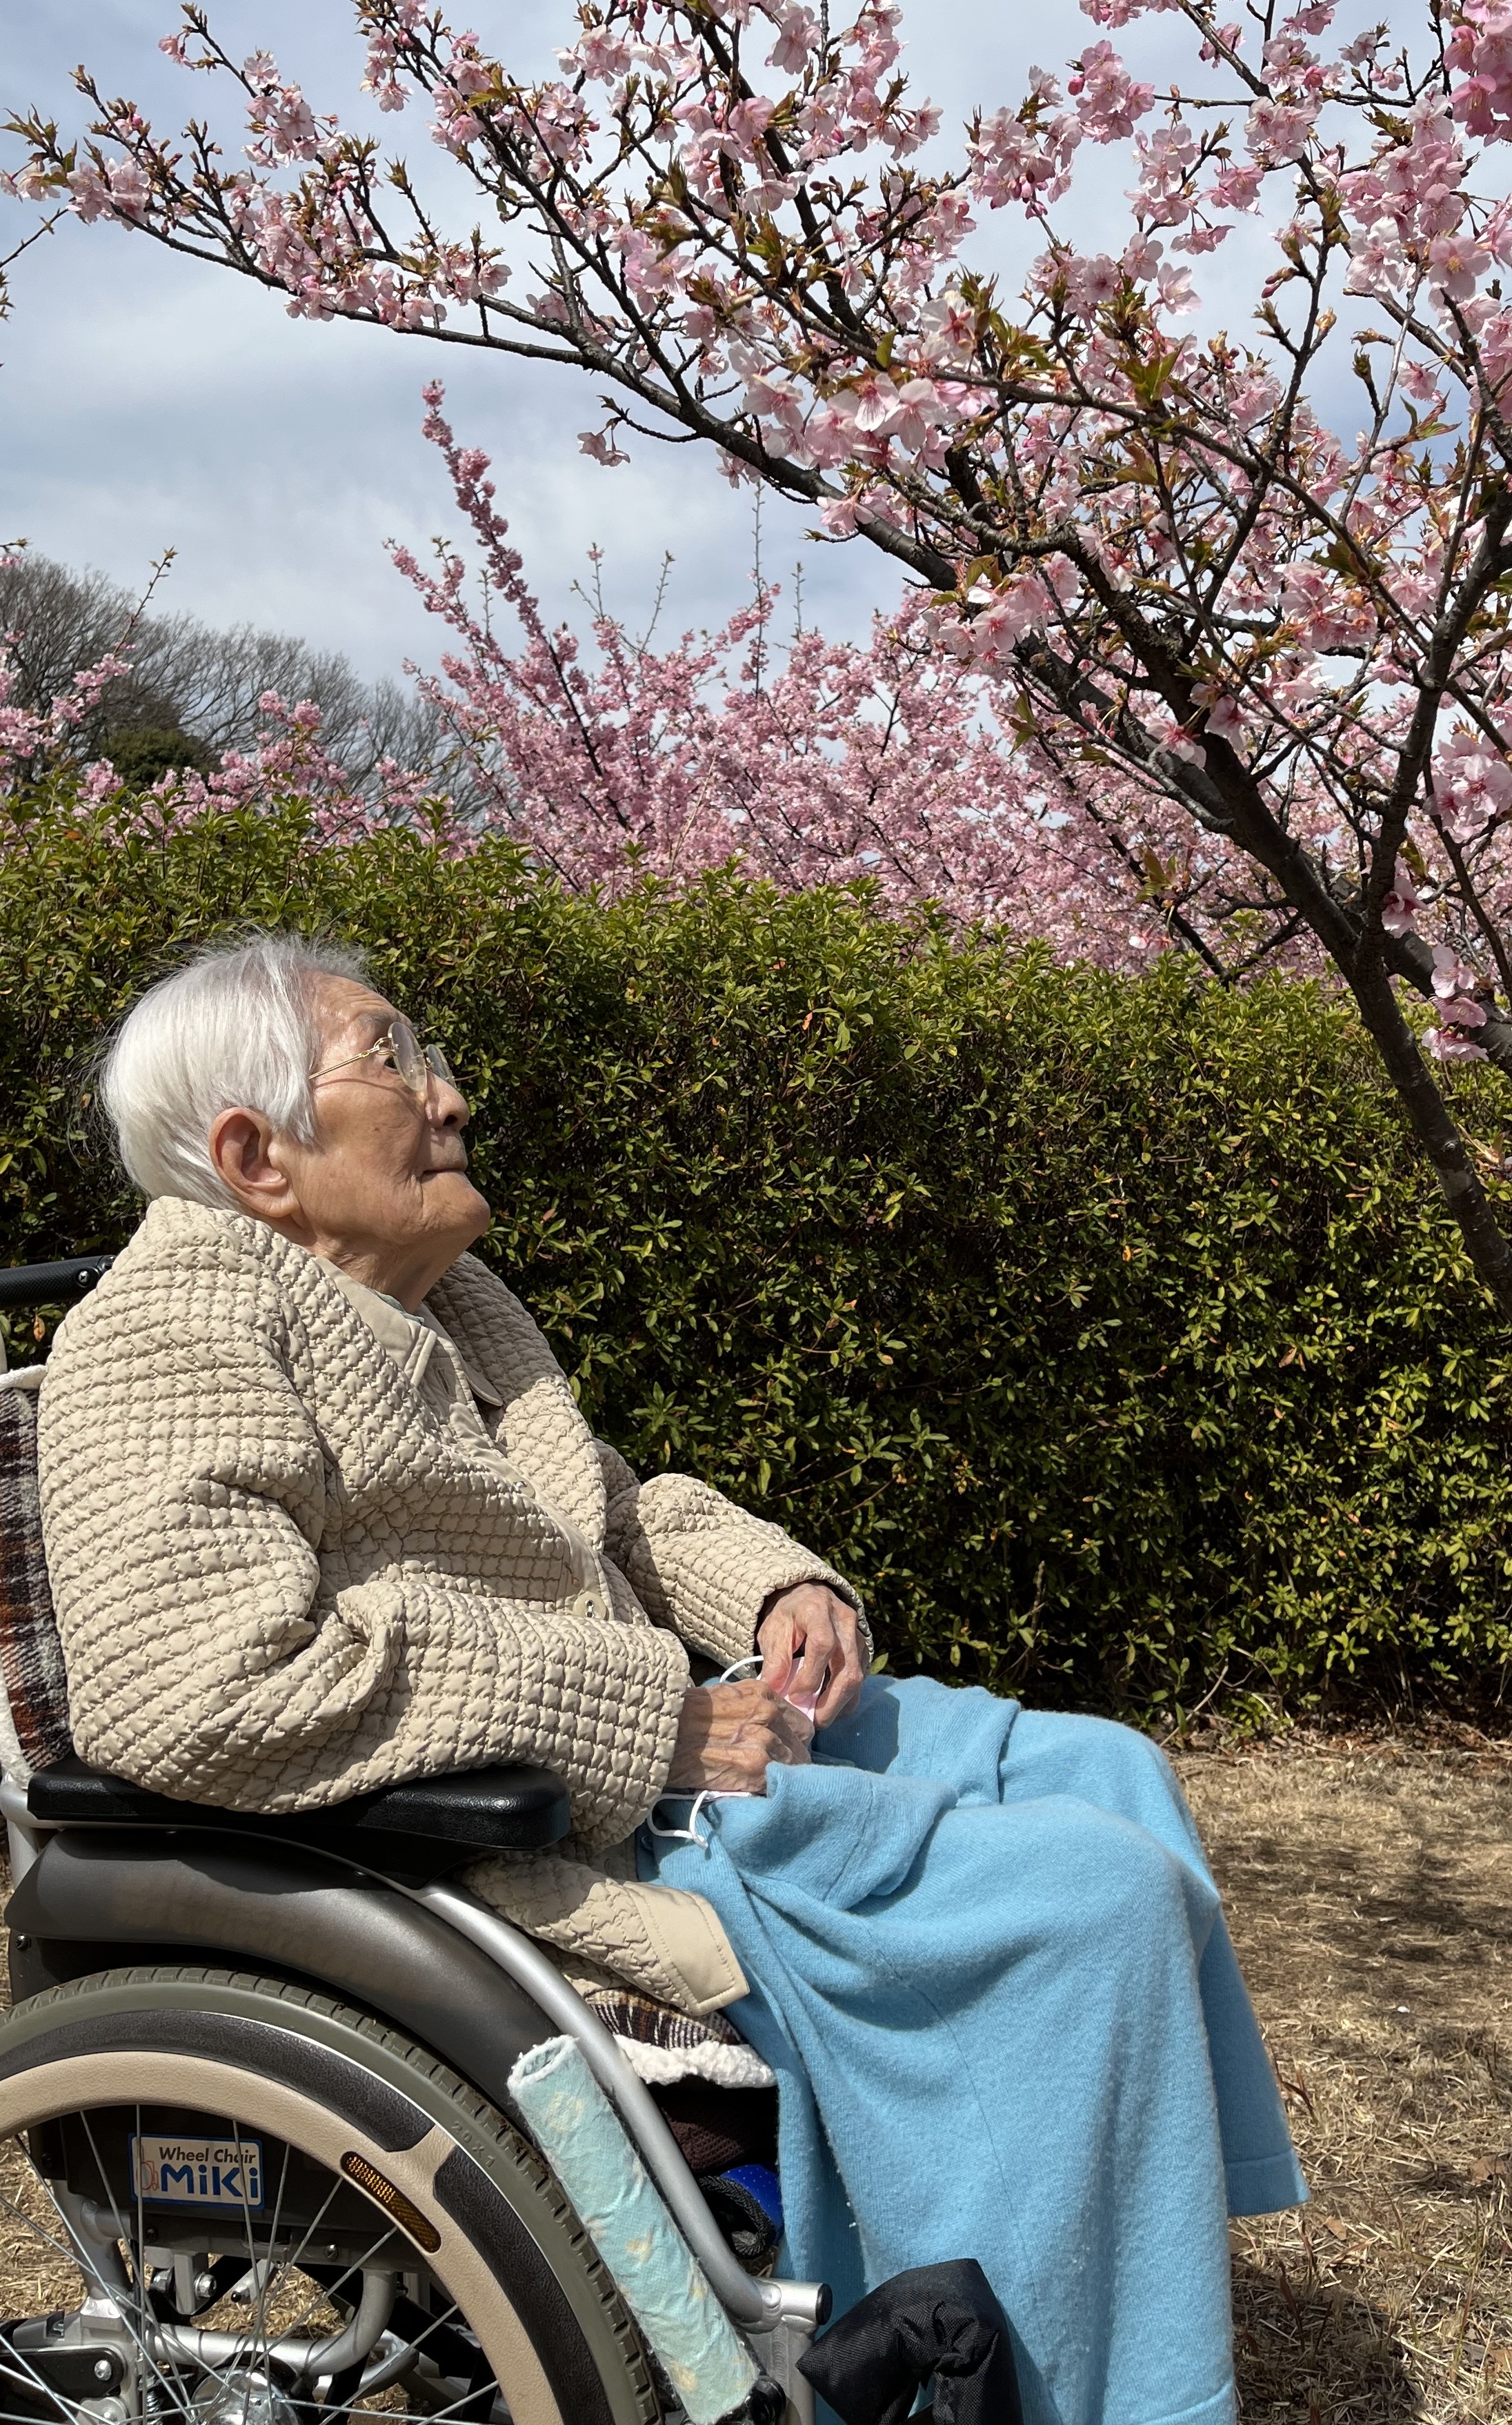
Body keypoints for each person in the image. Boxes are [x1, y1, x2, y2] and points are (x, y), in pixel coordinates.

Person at [36, 933, 1304, 2425]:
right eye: (394, 1059)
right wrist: (651, 1724)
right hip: (504, 1837)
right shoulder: (170, 1326)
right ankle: (1067, 2376)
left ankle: (1107, 2262)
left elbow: (613, 1514)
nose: (448, 1096)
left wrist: (780, 1589)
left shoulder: (454, 1307)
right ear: (256, 1156)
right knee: (1092, 1904)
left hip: (641, 1747)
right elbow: (193, 1688)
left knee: (1109, 1772)